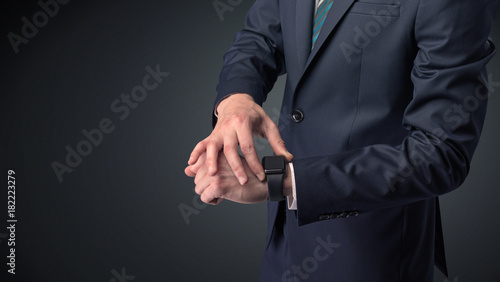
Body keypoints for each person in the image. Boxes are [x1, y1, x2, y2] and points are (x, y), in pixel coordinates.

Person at [185, 0, 499, 281]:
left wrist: (280, 182)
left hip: (370, 249)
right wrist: (236, 100)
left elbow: (441, 153)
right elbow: (261, 37)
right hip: (283, 242)